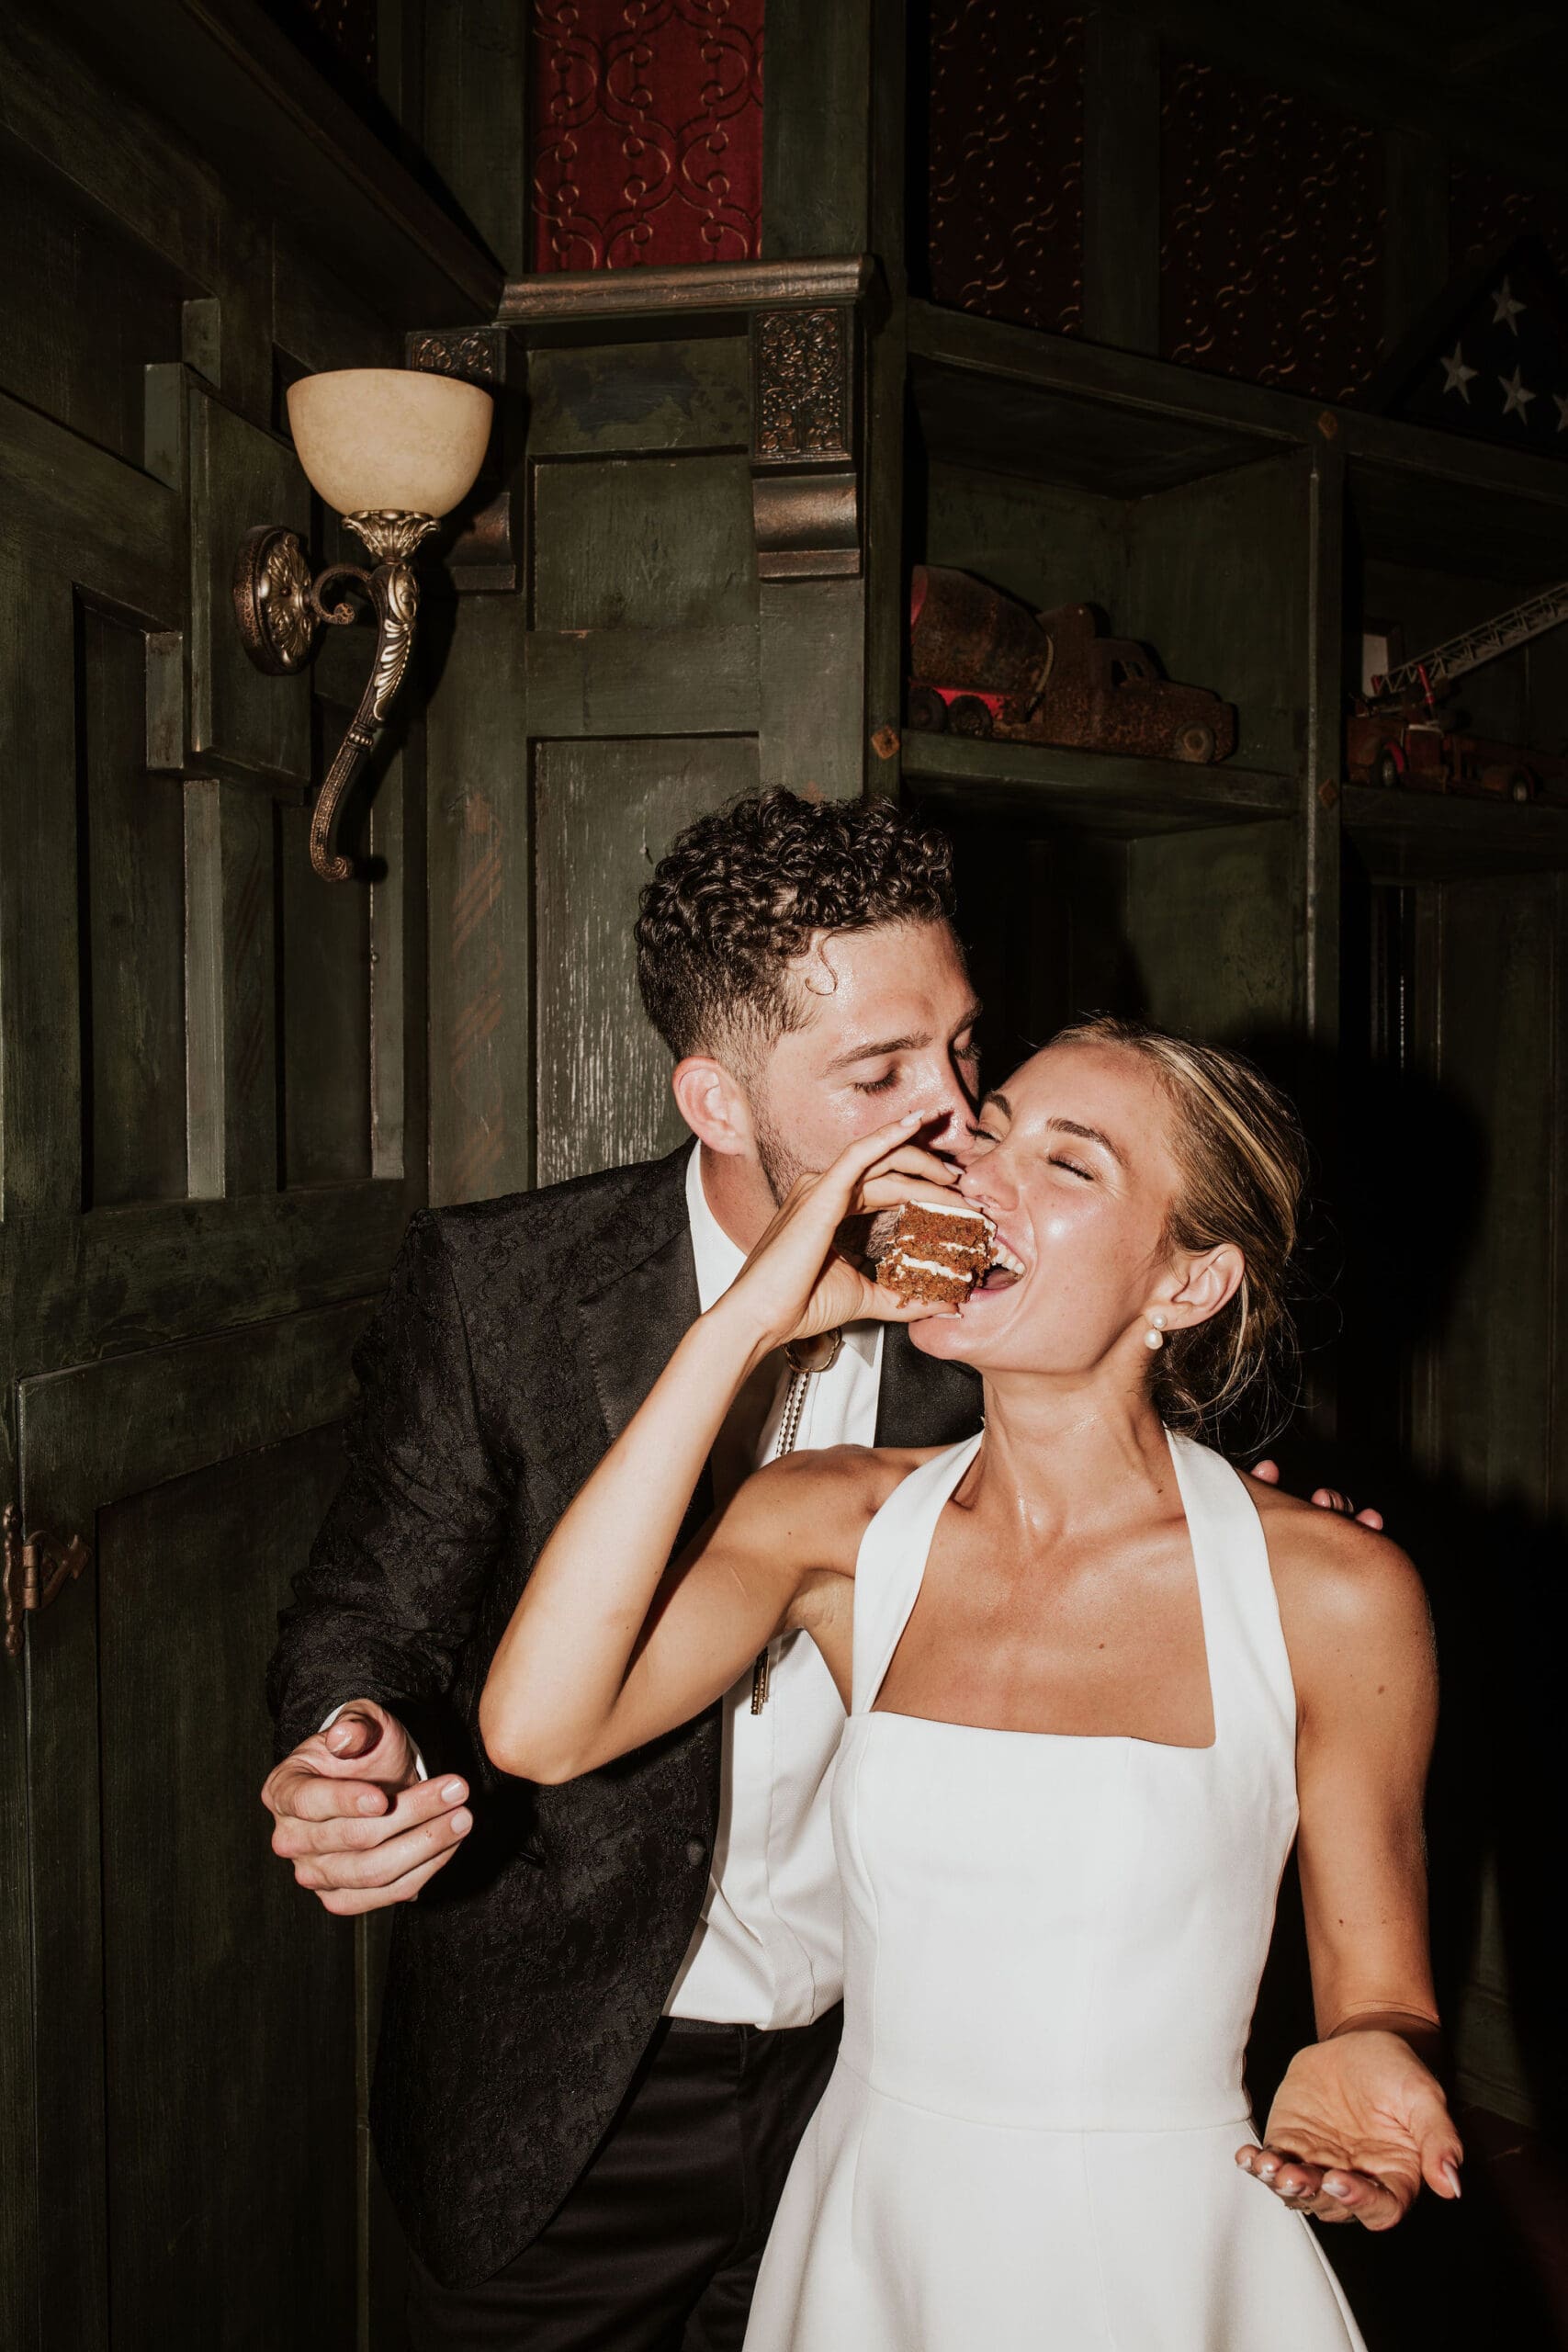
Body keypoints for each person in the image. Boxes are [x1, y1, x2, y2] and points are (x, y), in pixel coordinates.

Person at [263, 790, 1379, 2348]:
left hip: (882, 2078)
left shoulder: (996, 1292)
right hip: (572, 2079)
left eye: (967, 1050)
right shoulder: (498, 1284)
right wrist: (349, 1745)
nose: (957, 1119)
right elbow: (369, 1620)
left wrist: (1268, 1543)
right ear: (718, 1102)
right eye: (881, 1075)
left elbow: (1153, 1475)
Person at [479, 1015, 1460, 2351]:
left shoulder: (1334, 1592)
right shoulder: (831, 1523)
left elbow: (1380, 1982)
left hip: (1162, 2248)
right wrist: (749, 1319)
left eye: (1069, 1162)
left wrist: (1375, 2047)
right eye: (987, 1136)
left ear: (1189, 1282)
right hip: (872, 2231)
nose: (977, 1176)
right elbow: (536, 1729)